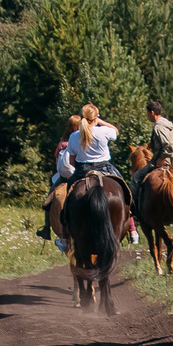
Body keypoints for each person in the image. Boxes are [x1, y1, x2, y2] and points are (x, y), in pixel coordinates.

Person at [44, 105, 122, 251]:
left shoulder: (74, 136)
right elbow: (116, 131)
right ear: (95, 117)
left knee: (67, 201)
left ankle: (65, 237)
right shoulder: (104, 131)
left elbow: (72, 161)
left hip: (81, 171)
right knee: (125, 190)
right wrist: (101, 121)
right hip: (105, 169)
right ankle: (131, 226)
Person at [145, 100, 173, 174]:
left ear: (152, 113)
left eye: (148, 114)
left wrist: (161, 159)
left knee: (137, 176)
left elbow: (168, 146)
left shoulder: (159, 127)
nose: (148, 116)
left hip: (166, 161)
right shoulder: (167, 123)